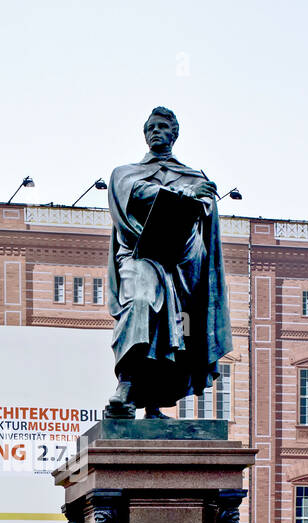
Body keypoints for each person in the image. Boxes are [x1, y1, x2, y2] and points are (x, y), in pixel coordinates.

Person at [104, 106, 232, 418]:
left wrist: (196, 198)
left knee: (181, 331)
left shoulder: (193, 175)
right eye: (151, 127)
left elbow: (204, 209)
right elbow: (137, 194)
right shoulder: (125, 173)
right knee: (142, 301)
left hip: (180, 263)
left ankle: (153, 402)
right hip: (139, 254)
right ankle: (128, 382)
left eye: (162, 127)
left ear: (174, 135)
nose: (155, 131)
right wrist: (183, 193)